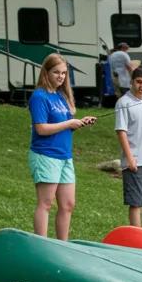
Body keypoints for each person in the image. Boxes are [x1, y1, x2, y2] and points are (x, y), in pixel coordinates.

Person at [28, 52, 96, 240]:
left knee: (68, 204)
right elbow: (41, 129)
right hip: (46, 155)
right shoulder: (39, 97)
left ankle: (62, 245)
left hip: (65, 156)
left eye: (64, 73)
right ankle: (41, 244)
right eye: (56, 72)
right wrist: (69, 123)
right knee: (46, 203)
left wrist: (79, 123)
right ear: (46, 73)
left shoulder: (60, 96)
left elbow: (63, 127)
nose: (61, 77)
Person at [115, 65, 142, 226]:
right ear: (132, 82)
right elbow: (121, 131)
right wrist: (130, 159)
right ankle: (136, 237)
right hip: (135, 162)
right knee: (136, 203)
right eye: (139, 82)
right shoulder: (124, 102)